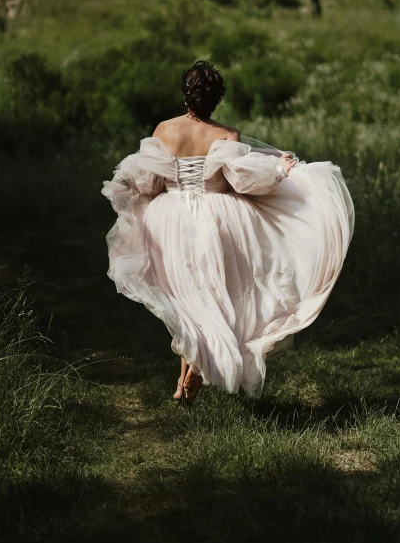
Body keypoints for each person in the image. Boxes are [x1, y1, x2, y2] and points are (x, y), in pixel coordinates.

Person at [102, 61, 354, 405]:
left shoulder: (164, 130)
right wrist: (279, 172)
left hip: (170, 220)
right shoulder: (226, 135)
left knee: (188, 300)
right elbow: (242, 182)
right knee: (213, 298)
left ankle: (185, 379)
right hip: (219, 220)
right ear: (216, 99)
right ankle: (190, 374)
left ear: (186, 96)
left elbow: (151, 181)